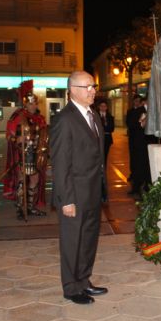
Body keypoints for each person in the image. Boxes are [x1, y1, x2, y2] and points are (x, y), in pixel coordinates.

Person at [50, 70, 107, 305]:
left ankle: (83, 280)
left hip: (93, 191)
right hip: (75, 194)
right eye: (88, 87)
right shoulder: (65, 119)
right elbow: (61, 163)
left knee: (88, 240)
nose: (93, 91)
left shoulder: (93, 115)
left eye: (94, 86)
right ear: (73, 90)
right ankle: (71, 287)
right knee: (73, 241)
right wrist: (67, 200)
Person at [3, 80, 48, 220]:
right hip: (22, 154)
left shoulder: (40, 118)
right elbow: (8, 135)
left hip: (36, 155)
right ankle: (20, 208)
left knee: (35, 179)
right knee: (22, 180)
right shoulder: (17, 116)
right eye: (30, 103)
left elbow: (44, 135)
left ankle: (30, 206)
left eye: (35, 103)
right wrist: (17, 139)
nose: (33, 106)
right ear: (25, 104)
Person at [97, 99, 115, 167]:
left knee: (105, 156)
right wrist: (104, 128)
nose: (103, 107)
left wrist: (103, 128)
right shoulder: (95, 115)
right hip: (97, 139)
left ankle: (104, 172)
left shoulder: (110, 117)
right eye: (101, 106)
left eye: (104, 106)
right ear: (99, 107)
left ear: (107, 107)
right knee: (98, 156)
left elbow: (111, 129)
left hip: (107, 139)